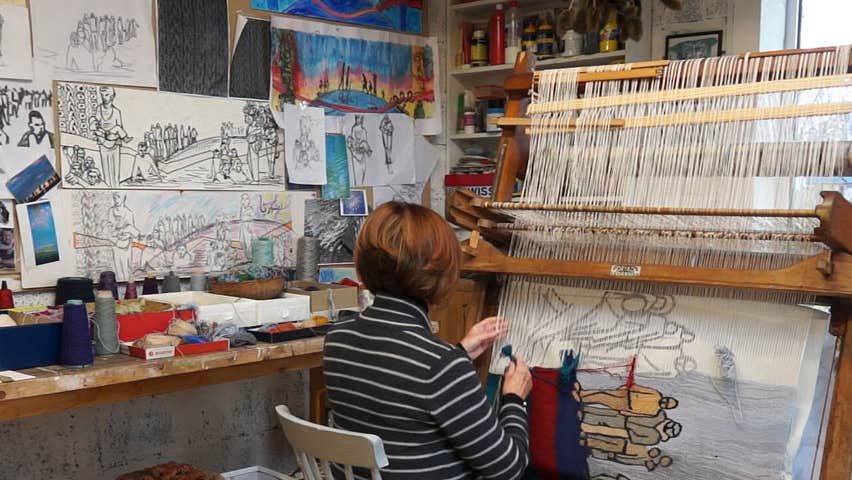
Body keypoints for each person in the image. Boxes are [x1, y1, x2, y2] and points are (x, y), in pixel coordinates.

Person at [324, 202, 533, 479]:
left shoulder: (336, 339)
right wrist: (514, 399)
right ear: (444, 278)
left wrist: (459, 352)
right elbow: (508, 468)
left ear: (362, 268)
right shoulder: (440, 367)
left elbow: (404, 385)